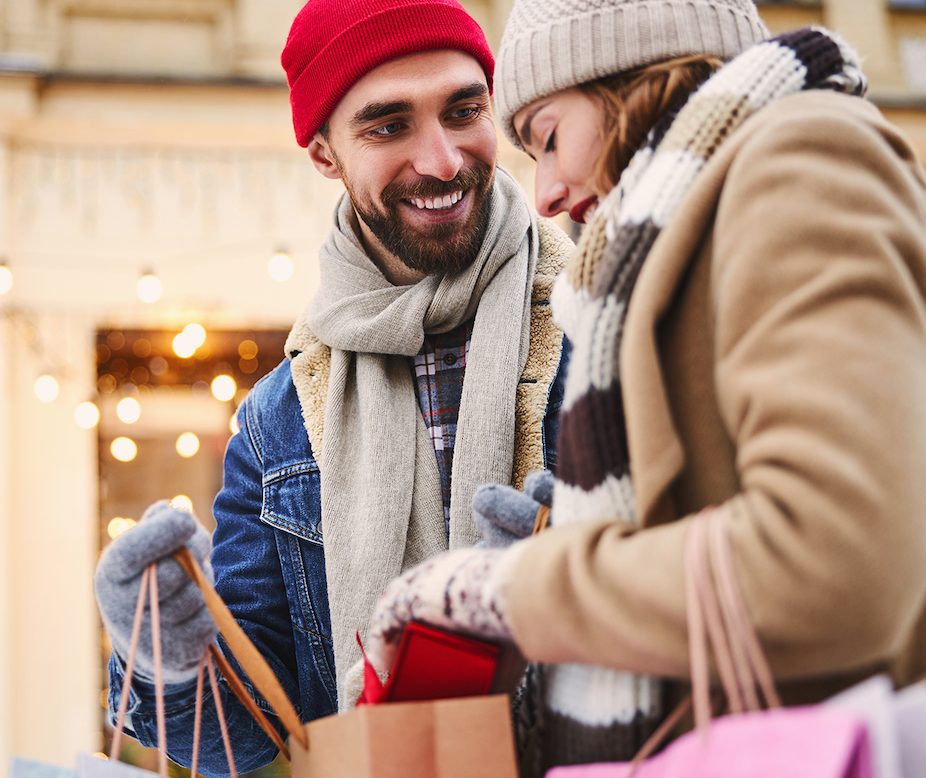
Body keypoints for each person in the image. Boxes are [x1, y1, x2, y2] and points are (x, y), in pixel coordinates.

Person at [365, 1, 926, 776]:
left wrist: (512, 591)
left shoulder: (799, 160)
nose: (543, 193)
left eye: (547, 137)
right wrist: (575, 541)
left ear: (627, 76)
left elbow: (830, 563)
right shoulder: (687, 233)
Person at [92, 0, 571, 773]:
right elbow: (246, 739)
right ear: (323, 153)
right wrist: (164, 657)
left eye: (463, 110)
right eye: (388, 126)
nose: (441, 159)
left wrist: (569, 591)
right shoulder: (277, 421)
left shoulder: (601, 327)